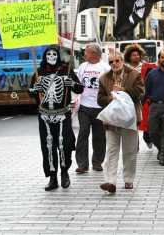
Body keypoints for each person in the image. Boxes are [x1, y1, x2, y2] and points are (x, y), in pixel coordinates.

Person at [30, 46, 84, 191]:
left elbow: (80, 88)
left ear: (58, 56)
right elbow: (31, 92)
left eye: (54, 54)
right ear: (45, 57)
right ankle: (52, 176)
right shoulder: (38, 72)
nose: (52, 56)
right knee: (48, 147)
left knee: (64, 144)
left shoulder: (66, 70)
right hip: (44, 115)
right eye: (49, 54)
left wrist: (71, 83)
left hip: (62, 114)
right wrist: (35, 89)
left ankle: (64, 173)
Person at [98, 52, 144, 193]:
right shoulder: (104, 78)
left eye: (117, 60)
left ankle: (128, 179)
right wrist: (110, 98)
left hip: (130, 118)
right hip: (112, 120)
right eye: (111, 62)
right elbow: (100, 99)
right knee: (112, 150)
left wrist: (123, 91)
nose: (114, 64)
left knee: (129, 151)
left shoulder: (134, 74)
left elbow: (140, 93)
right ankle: (110, 181)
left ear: (122, 61)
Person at [75, 44, 110, 174]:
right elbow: (78, 84)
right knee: (83, 133)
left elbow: (109, 87)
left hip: (100, 107)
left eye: (87, 52)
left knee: (99, 136)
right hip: (84, 106)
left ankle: (97, 161)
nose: (85, 54)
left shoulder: (105, 68)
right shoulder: (83, 66)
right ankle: (82, 164)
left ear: (95, 54)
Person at [145, 50, 164, 166]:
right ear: (159, 59)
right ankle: (161, 149)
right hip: (154, 106)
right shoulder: (151, 74)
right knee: (152, 132)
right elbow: (146, 91)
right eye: (162, 57)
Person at [124, 44, 152, 149]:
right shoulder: (125, 68)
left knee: (146, 120)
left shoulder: (146, 67)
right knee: (134, 122)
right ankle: (135, 146)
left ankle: (147, 137)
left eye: (137, 55)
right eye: (133, 55)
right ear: (129, 57)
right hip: (131, 98)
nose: (136, 57)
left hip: (144, 97)